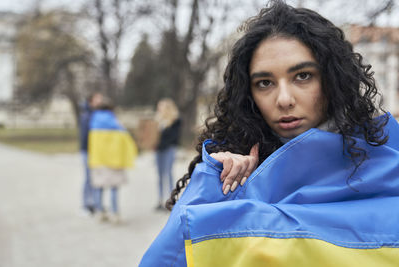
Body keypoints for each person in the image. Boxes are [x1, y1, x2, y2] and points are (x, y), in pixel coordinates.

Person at [139, 1, 399, 266]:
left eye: (303, 76)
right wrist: (207, 184)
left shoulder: (386, 164)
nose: (284, 100)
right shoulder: (228, 179)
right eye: (265, 83)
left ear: (333, 78)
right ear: (249, 95)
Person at [88, 97, 138, 223]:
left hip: (98, 160)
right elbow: (127, 142)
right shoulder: (116, 124)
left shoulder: (93, 122)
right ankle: (115, 214)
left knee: (99, 188)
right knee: (114, 188)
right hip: (115, 161)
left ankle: (100, 212)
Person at [154, 98, 181, 210]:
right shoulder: (157, 121)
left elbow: (173, 137)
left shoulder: (175, 120)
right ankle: (160, 200)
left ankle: (171, 200)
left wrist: (161, 141)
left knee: (168, 173)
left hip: (169, 149)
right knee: (160, 175)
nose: (159, 108)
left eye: (161, 106)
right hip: (158, 150)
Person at [79, 92, 103, 215]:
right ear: (91, 101)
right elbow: (85, 137)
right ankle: (85, 205)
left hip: (97, 152)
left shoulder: (98, 114)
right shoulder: (86, 115)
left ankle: (95, 203)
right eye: (98, 99)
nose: (100, 102)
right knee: (89, 178)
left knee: (96, 178)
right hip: (88, 152)